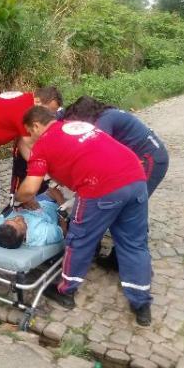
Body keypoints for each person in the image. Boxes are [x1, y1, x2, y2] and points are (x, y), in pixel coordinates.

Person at [15, 106, 153, 326]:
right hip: (135, 178)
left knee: (80, 239)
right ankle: (141, 304)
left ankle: (66, 292)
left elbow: (30, 188)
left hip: (99, 187)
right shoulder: (78, 126)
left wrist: (18, 197)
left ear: (36, 126)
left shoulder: (43, 145)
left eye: (30, 132)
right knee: (134, 243)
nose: (31, 137)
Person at [64, 95, 169, 270]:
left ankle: (129, 263)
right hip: (146, 157)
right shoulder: (106, 114)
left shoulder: (103, 122)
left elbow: (96, 154)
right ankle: (117, 258)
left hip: (149, 161)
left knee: (130, 208)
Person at [0, 87, 63, 242]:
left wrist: (39, 168)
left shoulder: (27, 102)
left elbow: (22, 142)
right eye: (49, 111)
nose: (49, 117)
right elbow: (27, 144)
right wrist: (43, 170)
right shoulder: (25, 111)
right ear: (38, 101)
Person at [0, 198, 64, 249]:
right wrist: (59, 199)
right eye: (19, 223)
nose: (18, 217)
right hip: (57, 204)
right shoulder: (42, 234)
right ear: (24, 236)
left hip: (37, 199)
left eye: (12, 219)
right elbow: (64, 231)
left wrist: (22, 202)